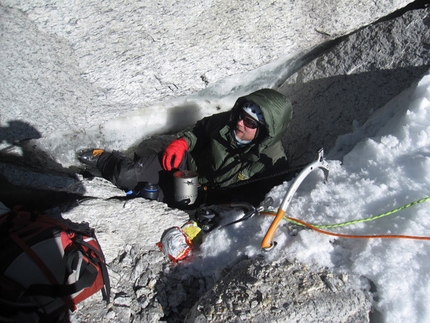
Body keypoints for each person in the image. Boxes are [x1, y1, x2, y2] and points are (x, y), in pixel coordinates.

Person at [78, 88, 294, 207]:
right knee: (127, 174)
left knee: (150, 200)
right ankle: (105, 158)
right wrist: (182, 142)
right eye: (241, 116)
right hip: (185, 165)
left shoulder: (273, 163)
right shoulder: (227, 122)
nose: (239, 123)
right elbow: (200, 130)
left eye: (250, 123)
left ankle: (103, 178)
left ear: (266, 132)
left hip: (203, 198)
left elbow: (261, 200)